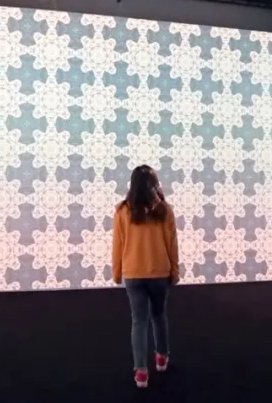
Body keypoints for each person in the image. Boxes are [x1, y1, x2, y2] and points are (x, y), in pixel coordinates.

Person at [111, 164, 180, 389]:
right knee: (158, 315)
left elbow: (118, 244)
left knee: (138, 321)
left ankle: (141, 372)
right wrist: (175, 270)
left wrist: (117, 271)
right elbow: (172, 244)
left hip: (133, 274)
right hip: (160, 273)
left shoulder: (122, 210)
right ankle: (162, 358)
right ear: (155, 184)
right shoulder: (165, 210)